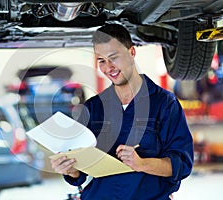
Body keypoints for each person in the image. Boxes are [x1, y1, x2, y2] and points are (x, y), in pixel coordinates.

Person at [50, 23, 193, 200]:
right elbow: (80, 174)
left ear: (132, 52)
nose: (108, 67)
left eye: (114, 57)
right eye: (101, 60)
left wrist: (141, 164)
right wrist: (70, 169)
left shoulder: (164, 104)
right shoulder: (94, 108)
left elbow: (182, 165)